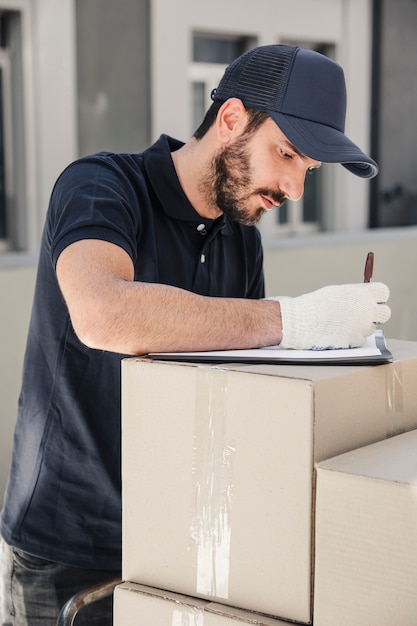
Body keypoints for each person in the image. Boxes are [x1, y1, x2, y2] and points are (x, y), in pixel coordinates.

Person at [0, 44, 390, 625]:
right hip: (65, 549)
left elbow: (239, 390)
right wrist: (296, 320)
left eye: (307, 170)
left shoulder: (242, 240)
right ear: (231, 118)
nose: (293, 188)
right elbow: (103, 314)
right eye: (285, 153)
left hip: (180, 545)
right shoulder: (101, 187)